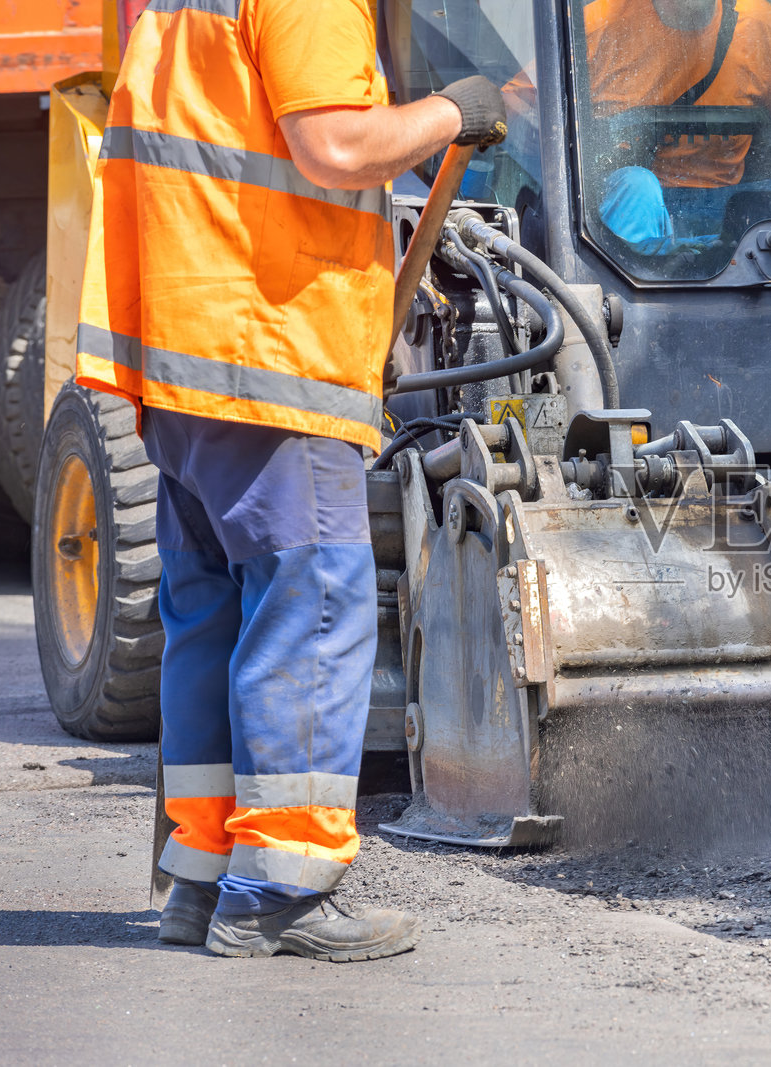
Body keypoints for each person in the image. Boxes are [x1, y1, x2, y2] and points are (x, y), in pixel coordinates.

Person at [75, 0, 509, 962]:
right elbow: (338, 144)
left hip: (190, 353)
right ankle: (281, 891)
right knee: (311, 609)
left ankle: (200, 873)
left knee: (213, 614)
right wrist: (453, 112)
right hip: (268, 352)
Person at [583, 0, 771, 250]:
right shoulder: (598, 24)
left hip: (723, 199)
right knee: (636, 185)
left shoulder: (755, 21)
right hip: (627, 216)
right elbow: (543, 116)